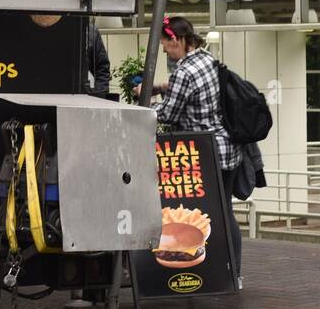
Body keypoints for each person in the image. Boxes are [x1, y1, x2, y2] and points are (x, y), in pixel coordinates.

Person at [137, 16, 244, 286]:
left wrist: (143, 105)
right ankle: (234, 273)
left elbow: (169, 114)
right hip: (228, 148)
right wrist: (163, 87)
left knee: (204, 215)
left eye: (164, 44)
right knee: (226, 212)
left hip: (207, 154)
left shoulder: (184, 71)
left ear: (176, 40)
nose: (163, 49)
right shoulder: (207, 59)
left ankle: (207, 273)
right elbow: (196, 93)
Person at [86, 23, 111, 96]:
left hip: (80, 96)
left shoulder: (90, 31)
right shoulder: (91, 31)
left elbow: (102, 68)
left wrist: (100, 97)